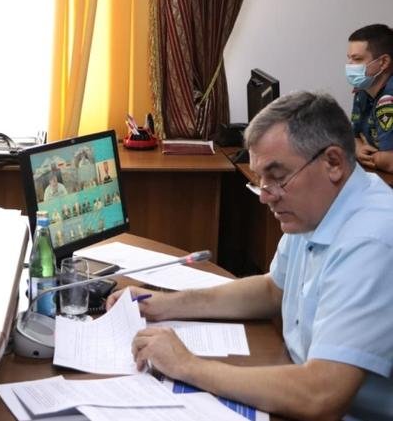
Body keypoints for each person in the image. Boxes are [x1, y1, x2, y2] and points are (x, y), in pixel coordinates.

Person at [107, 91, 393, 421]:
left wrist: (186, 365)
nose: (265, 196)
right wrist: (163, 304)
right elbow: (273, 289)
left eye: (278, 177)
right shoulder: (318, 206)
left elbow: (321, 395)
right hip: (297, 380)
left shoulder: (372, 239)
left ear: (333, 163)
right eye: (261, 179)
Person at [347, 24, 393, 173]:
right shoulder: (363, 89)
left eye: (357, 59)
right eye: (349, 58)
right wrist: (358, 148)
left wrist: (375, 157)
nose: (349, 65)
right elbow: (354, 137)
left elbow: (390, 162)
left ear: (383, 62)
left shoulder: (389, 97)